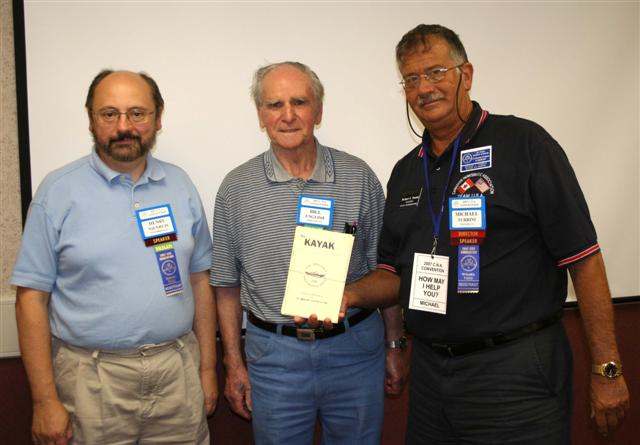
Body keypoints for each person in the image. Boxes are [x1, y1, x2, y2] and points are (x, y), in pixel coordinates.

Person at [342, 24, 630, 444]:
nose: (425, 88)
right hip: (431, 375)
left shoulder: (525, 144)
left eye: (437, 71)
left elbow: (583, 258)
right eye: (412, 78)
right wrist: (347, 294)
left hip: (514, 371)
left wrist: (607, 369)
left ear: (467, 74)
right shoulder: (406, 172)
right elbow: (393, 274)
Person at [12, 70, 217, 445]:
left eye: (137, 113)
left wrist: (206, 369)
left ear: (158, 118)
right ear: (91, 120)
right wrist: (44, 400)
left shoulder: (180, 185)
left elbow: (200, 280)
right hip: (91, 379)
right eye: (110, 114)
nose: (124, 126)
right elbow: (30, 299)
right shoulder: (57, 192)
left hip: (177, 373)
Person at [210, 61, 408, 445]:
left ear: (318, 111)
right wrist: (232, 362)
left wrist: (395, 344)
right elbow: (226, 286)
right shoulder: (235, 189)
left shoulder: (358, 176)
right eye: (274, 104)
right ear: (260, 115)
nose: (287, 116)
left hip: (355, 349)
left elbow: (388, 272)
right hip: (275, 357)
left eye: (299, 102)